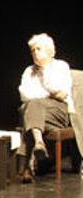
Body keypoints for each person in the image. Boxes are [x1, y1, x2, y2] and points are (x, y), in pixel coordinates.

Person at [17, 33, 74, 183]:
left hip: (58, 111)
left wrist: (45, 69)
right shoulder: (29, 71)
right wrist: (48, 95)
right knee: (32, 106)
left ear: (50, 51)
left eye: (39, 49)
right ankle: (38, 146)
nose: (35, 53)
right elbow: (24, 94)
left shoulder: (61, 66)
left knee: (31, 109)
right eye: (33, 50)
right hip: (35, 111)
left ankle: (28, 163)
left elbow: (61, 93)